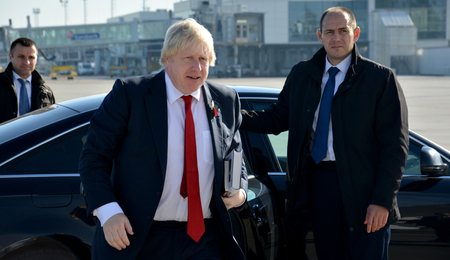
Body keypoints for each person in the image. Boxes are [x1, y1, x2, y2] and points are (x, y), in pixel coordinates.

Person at [241, 6, 408, 260]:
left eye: (343, 31)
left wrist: (382, 201)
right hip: (319, 186)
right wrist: (230, 115)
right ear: (320, 36)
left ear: (356, 33)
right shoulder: (302, 74)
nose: (336, 38)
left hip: (364, 192)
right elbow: (275, 119)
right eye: (329, 32)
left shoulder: (380, 79)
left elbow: (395, 148)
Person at [79, 18, 247, 260]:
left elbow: (236, 154)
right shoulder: (130, 94)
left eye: (203, 59)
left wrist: (239, 191)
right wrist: (108, 211)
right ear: (167, 60)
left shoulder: (226, 100)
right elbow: (93, 156)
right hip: (139, 236)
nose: (197, 68)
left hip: (204, 238)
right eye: (188, 58)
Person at [0, 37, 55, 123]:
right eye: (21, 57)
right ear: (11, 57)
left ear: (36, 59)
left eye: (31, 57)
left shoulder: (46, 92)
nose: (27, 62)